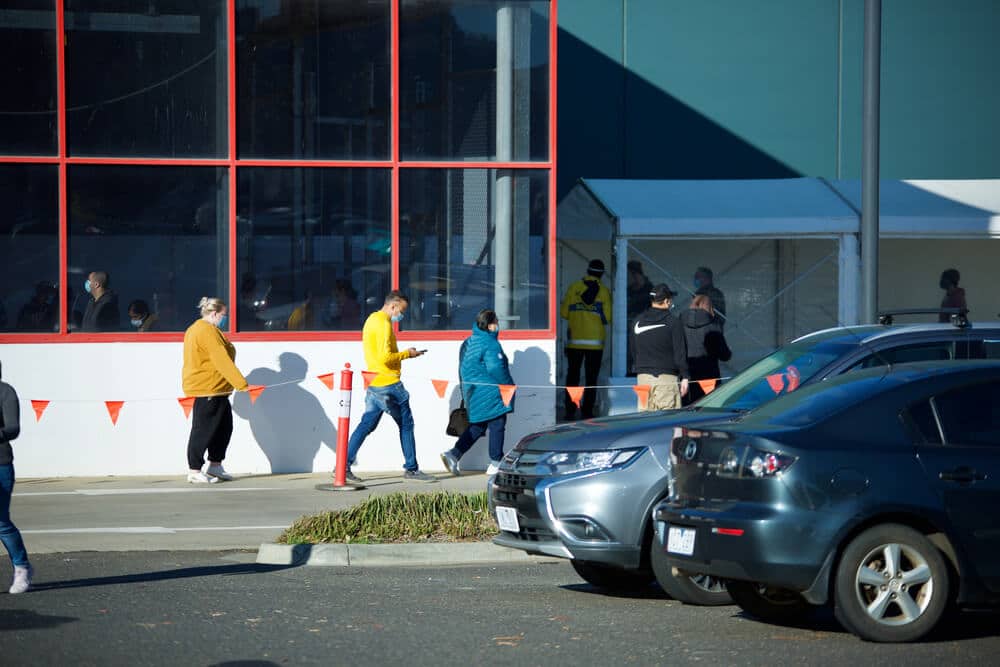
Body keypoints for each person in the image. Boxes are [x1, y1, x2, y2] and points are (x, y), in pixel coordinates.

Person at [345, 290, 437, 483]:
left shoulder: (371, 319)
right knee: (406, 425)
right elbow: (385, 357)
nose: (400, 315)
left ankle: (343, 465)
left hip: (374, 383)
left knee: (365, 426)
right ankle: (411, 468)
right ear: (393, 305)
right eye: (400, 310)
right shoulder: (384, 324)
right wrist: (407, 354)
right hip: (389, 385)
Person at [440, 309, 515, 477]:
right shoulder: (490, 344)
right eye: (496, 321)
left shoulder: (468, 342)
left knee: (478, 426)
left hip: (472, 391)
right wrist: (509, 386)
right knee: (497, 423)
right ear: (490, 325)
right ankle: (496, 463)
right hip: (491, 391)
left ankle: (453, 455)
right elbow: (497, 368)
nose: (498, 325)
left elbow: (462, 369)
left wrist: (464, 391)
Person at [182, 297, 249, 483]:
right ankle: (194, 469)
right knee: (203, 431)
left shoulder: (205, 329)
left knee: (224, 429)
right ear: (213, 313)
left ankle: (215, 465)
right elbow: (221, 359)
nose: (224, 318)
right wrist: (241, 383)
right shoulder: (205, 331)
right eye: (223, 315)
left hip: (219, 390)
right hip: (208, 389)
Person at [560, 259, 612, 419]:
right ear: (601, 274)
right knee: (591, 378)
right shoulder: (603, 291)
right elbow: (608, 318)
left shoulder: (574, 287)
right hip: (595, 344)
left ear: (587, 271)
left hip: (575, 342)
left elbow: (564, 313)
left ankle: (570, 411)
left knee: (573, 376)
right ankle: (587, 412)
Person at [0, 362, 33, 593]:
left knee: (0, 521)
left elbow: (13, 428)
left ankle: (22, 567)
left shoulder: (6, 392)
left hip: (0, 463)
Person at [631, 284, 689, 410]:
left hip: (643, 379)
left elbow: (634, 350)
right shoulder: (673, 322)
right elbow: (680, 353)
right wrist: (685, 376)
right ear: (667, 301)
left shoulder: (637, 321)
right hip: (666, 379)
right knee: (667, 424)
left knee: (644, 423)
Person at [680, 294, 731, 405]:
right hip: (709, 378)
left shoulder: (679, 324)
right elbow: (725, 355)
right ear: (709, 307)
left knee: (686, 413)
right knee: (709, 412)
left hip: (686, 377)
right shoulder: (713, 326)